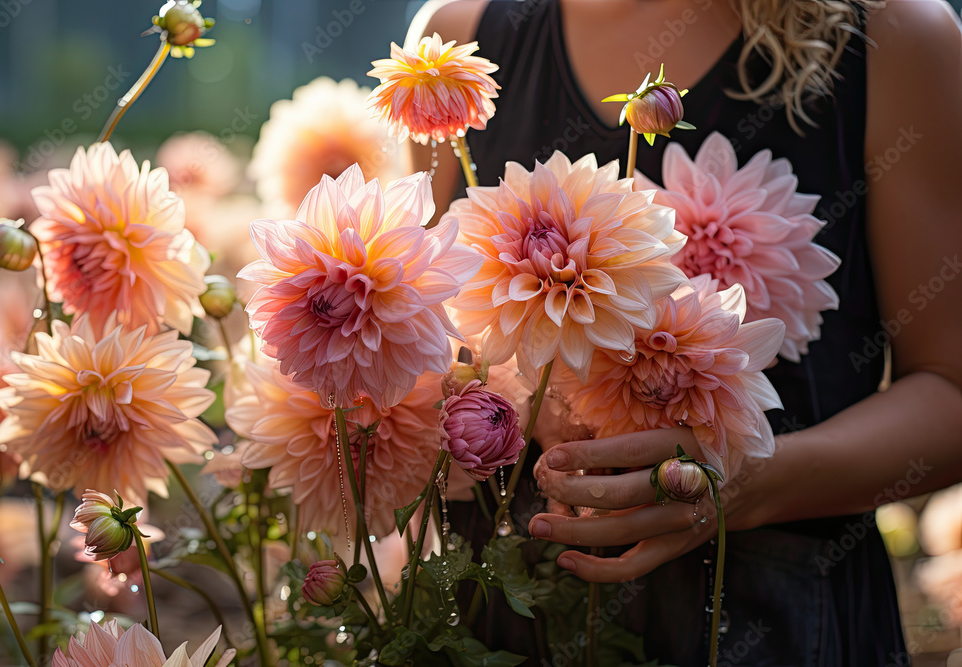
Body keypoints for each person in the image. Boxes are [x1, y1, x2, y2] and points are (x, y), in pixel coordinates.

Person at [407, 0, 962, 664]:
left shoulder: (894, 36)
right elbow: (422, 339)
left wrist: (750, 477)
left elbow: (951, 391)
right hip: (500, 618)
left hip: (771, 623)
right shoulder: (459, 43)